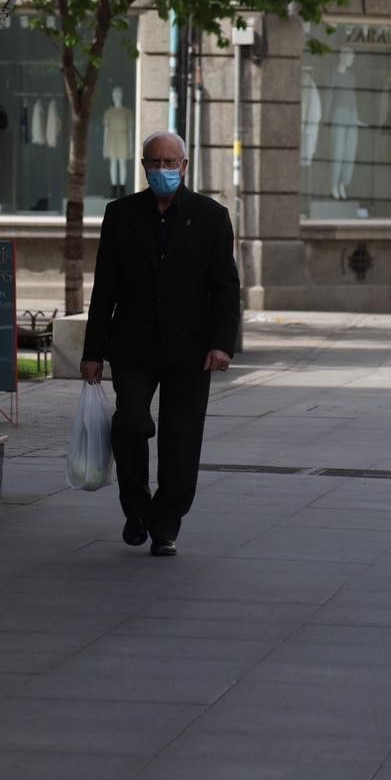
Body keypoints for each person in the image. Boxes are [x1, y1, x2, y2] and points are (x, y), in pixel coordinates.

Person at [81, 131, 241, 558]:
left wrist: (222, 344)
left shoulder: (211, 217)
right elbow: (105, 288)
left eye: (171, 163)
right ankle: (136, 509)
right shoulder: (121, 215)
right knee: (131, 423)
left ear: (184, 167)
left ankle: (165, 524)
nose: (163, 170)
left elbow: (226, 287)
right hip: (134, 346)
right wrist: (92, 353)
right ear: (144, 166)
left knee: (181, 441)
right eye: (155, 162)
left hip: (190, 350)